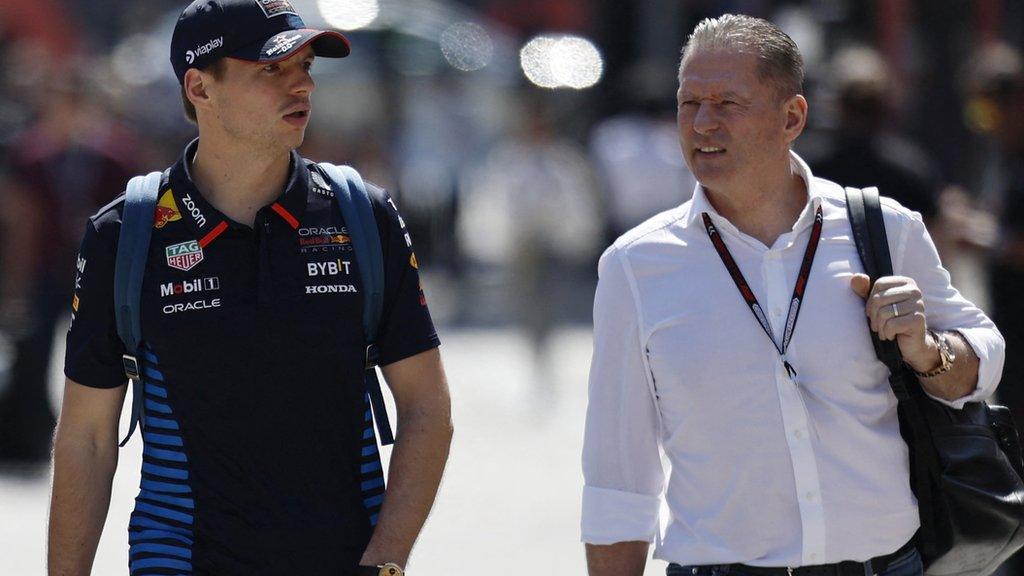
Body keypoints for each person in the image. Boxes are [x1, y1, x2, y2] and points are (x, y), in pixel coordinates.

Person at [581, 14, 1004, 576]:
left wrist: (928, 351)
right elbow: (618, 481)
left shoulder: (883, 229)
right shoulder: (635, 267)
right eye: (690, 104)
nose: (703, 123)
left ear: (793, 117)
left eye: (727, 103)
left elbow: (985, 357)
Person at [47, 1, 453, 575]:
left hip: (343, 561)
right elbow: (87, 437)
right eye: (272, 69)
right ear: (199, 87)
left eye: (306, 66)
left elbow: (426, 407)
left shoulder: (363, 214)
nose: (303, 86)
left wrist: (386, 563)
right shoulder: (127, 232)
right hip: (179, 560)